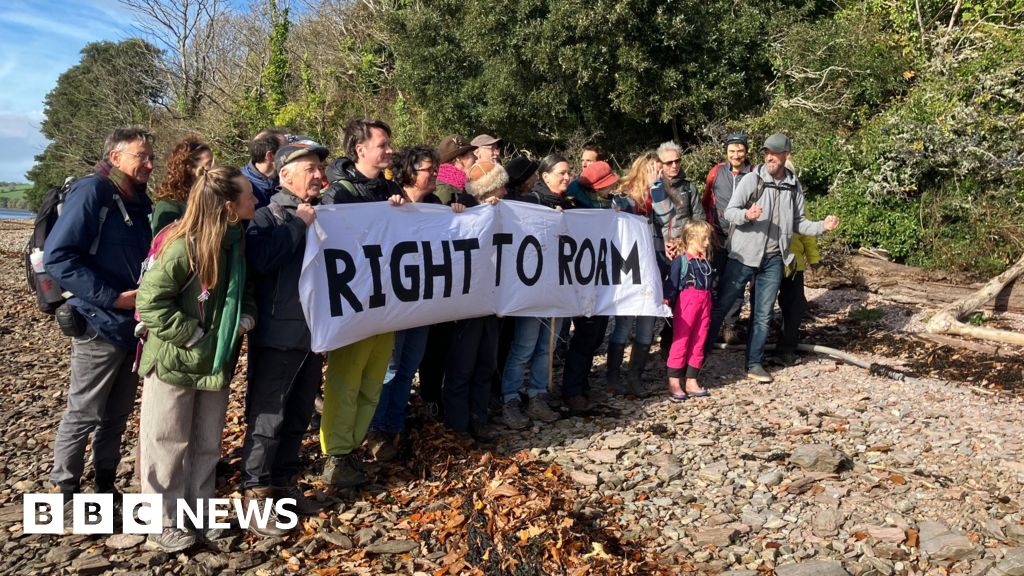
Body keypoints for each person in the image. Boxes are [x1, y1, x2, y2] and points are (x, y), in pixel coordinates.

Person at [136, 165, 257, 552]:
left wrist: (246, 317)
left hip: (214, 362)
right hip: (175, 360)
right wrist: (192, 334)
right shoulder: (180, 245)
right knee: (166, 442)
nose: (255, 199)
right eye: (247, 194)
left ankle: (199, 514)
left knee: (206, 444)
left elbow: (246, 290)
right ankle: (161, 521)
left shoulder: (236, 241)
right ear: (227, 206)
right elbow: (149, 302)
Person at [44, 127, 155, 508]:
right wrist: (113, 299)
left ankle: (106, 486)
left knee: (117, 414)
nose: (149, 164)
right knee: (84, 411)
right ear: (115, 156)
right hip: (97, 323)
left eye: (150, 157)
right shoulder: (94, 191)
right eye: (141, 156)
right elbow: (59, 257)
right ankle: (65, 491)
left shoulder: (138, 200)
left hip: (130, 326)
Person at [241, 139, 330, 536]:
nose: (317, 175)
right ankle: (255, 491)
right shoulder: (267, 217)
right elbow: (261, 262)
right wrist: (299, 224)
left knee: (298, 414)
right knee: (268, 415)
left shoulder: (329, 214)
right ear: (285, 174)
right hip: (278, 334)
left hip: (316, 332)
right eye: (309, 168)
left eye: (318, 168)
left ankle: (283, 482)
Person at [704, 133, 839, 383]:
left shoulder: (793, 185)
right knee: (722, 307)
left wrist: (823, 226)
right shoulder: (752, 180)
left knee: (763, 314)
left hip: (775, 259)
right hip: (742, 255)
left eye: (774, 153)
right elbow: (730, 212)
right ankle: (697, 360)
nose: (769, 157)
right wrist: (747, 215)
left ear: (786, 155)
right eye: (766, 152)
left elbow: (800, 223)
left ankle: (753, 364)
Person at [319, 118, 403, 488]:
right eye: (382, 145)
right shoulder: (338, 194)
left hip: (385, 305)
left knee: (372, 381)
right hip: (354, 306)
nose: (389, 150)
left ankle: (354, 445)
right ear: (360, 149)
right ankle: (336, 454)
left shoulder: (389, 188)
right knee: (346, 381)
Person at [366, 145, 465, 459]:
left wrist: (459, 217)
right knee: (390, 368)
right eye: (428, 169)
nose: (435, 174)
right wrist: (389, 208)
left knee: (409, 367)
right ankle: (375, 429)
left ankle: (396, 424)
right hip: (395, 302)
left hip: (422, 302)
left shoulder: (436, 204)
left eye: (436, 168)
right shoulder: (390, 199)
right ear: (410, 172)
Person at [443, 161, 507, 441]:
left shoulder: (503, 210)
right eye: (501, 185)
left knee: (485, 364)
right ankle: (458, 425)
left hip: (491, 301)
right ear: (489, 188)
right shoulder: (463, 208)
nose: (506, 190)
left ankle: (479, 417)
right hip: (466, 305)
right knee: (462, 366)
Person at [500, 156, 563, 430]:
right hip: (529, 286)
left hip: (553, 284)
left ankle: (538, 394)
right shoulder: (515, 205)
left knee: (544, 347)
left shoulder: (544, 202)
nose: (535, 178)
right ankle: (510, 398)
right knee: (524, 346)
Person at [561, 161, 619, 413]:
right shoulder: (575, 206)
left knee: (596, 334)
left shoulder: (603, 204)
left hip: (600, 275)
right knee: (585, 334)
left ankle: (581, 383)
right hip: (581, 278)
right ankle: (572, 390)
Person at [607, 152, 663, 397]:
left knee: (647, 323)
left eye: (658, 170)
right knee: (623, 324)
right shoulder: (623, 197)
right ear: (640, 169)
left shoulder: (661, 193)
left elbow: (668, 216)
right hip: (629, 268)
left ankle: (635, 375)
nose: (656, 174)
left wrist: (657, 189)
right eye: (651, 169)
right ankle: (613, 375)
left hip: (655, 265)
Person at [702, 132, 753, 344]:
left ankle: (730, 327)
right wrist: (707, 228)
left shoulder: (754, 173)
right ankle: (711, 325)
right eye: (732, 151)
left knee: (737, 283)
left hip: (743, 236)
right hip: (718, 234)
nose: (736, 154)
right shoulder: (716, 172)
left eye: (740, 150)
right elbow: (706, 201)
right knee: (713, 280)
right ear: (726, 152)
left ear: (746, 151)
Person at [774, 158, 820, 367]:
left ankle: (787, 348)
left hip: (794, 265)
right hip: (769, 261)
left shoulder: (798, 202)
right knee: (762, 308)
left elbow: (808, 233)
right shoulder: (762, 197)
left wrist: (814, 260)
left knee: (795, 306)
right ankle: (755, 350)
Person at [663, 221, 715, 400]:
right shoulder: (681, 261)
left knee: (699, 340)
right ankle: (674, 380)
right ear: (692, 239)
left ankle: (691, 379)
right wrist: (667, 300)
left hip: (705, 303)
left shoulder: (705, 262)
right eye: (705, 238)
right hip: (687, 303)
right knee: (681, 341)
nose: (708, 242)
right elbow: (671, 283)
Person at [151, 136, 213, 235]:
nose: (214, 169)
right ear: (189, 168)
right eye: (209, 164)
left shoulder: (209, 199)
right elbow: (164, 246)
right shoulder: (168, 207)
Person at [242, 129, 287, 209]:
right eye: (286, 150)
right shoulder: (241, 186)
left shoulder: (288, 178)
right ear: (270, 156)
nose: (292, 154)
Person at [433, 134, 478, 205]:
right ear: (458, 159)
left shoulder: (465, 184)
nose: (476, 158)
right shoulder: (443, 189)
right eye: (472, 154)